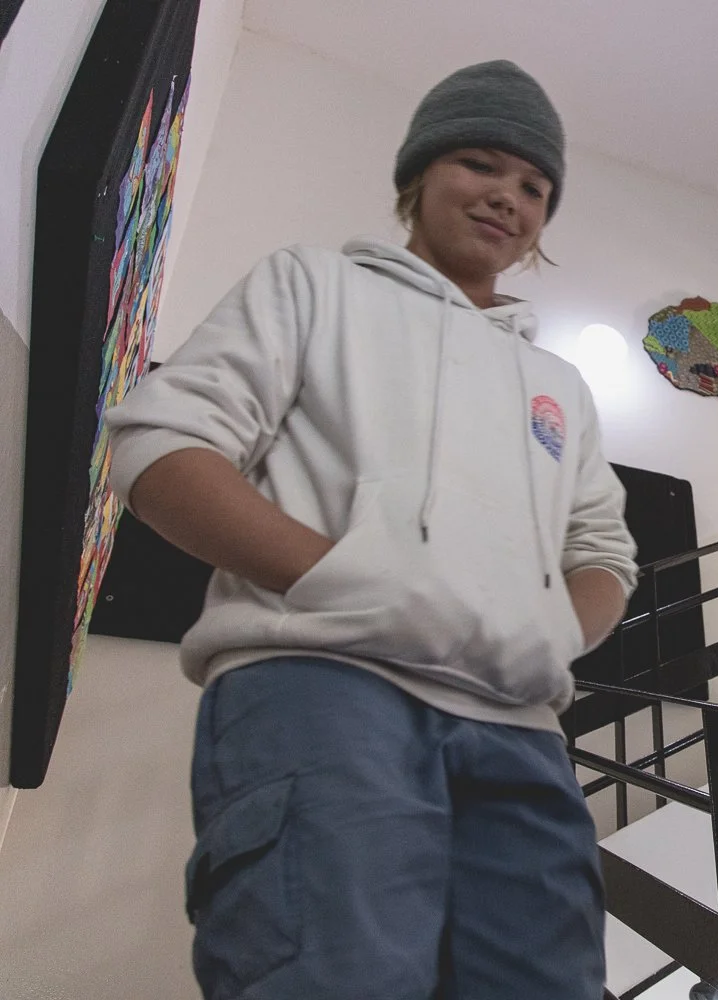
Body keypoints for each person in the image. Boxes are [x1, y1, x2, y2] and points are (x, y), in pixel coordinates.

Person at [105, 60, 637, 1000]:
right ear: (419, 174)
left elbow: (602, 553)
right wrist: (350, 581)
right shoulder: (311, 283)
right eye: (481, 164)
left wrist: (552, 632)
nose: (507, 198)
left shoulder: (561, 387)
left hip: (521, 729)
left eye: (534, 187)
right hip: (320, 687)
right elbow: (164, 446)